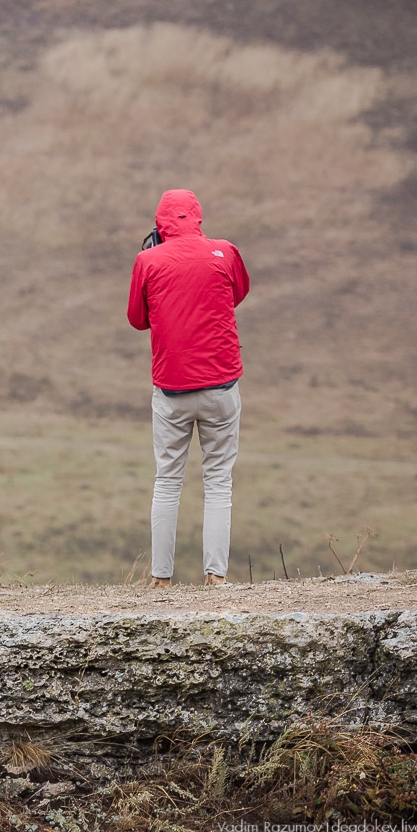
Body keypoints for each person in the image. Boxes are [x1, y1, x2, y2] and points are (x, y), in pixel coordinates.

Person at [127, 188, 250, 588]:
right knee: (218, 481)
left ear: (160, 223)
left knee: (168, 480)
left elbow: (137, 319)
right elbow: (237, 293)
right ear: (197, 217)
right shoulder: (225, 251)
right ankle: (216, 575)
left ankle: (161, 578)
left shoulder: (147, 260)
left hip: (171, 388)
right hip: (221, 383)